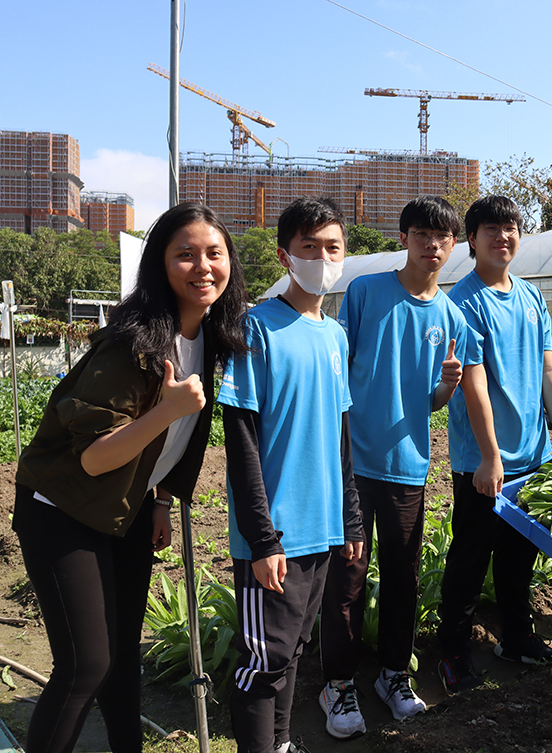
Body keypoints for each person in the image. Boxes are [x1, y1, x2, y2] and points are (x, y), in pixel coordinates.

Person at [13, 202, 248, 753]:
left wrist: (162, 502)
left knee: (121, 658)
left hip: (129, 507)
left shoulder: (212, 338)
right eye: (184, 255)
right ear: (160, 265)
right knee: (85, 664)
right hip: (63, 509)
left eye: (214, 253)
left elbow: (167, 452)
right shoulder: (130, 345)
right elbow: (94, 458)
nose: (203, 266)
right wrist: (165, 411)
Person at [318, 196, 468, 738]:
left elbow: (428, 400)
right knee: (347, 576)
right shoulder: (366, 292)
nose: (433, 245)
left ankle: (392, 675)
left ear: (454, 245)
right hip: (355, 462)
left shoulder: (451, 315)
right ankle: (336, 684)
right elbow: (338, 374)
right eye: (423, 234)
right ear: (404, 237)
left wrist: (447, 389)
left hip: (408, 465)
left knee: (403, 575)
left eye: (443, 237)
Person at [220, 197, 364, 753]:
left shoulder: (334, 335)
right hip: (275, 532)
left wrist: (350, 519)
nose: (323, 257)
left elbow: (341, 434)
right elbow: (241, 439)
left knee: (294, 649)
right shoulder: (255, 327)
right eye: (310, 247)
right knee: (265, 660)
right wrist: (262, 537)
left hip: (323, 528)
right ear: (286, 256)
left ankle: (280, 743)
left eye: (333, 247)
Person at [436, 195, 552, 694]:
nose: (503, 237)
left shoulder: (530, 296)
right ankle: (453, 653)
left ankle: (516, 637)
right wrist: (489, 454)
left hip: (533, 453)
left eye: (511, 229)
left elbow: (548, 367)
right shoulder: (464, 301)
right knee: (470, 558)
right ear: (472, 239)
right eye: (491, 229)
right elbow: (474, 382)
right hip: (486, 461)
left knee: (521, 556)